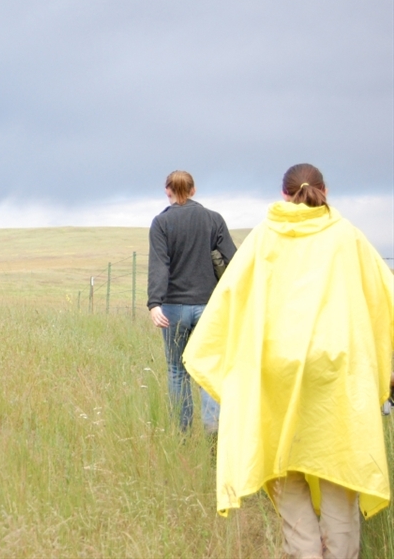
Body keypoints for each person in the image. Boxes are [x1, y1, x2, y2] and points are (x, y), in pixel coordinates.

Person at [183, 163, 393, 559]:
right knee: (339, 469)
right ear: (324, 191)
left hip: (274, 371)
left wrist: (214, 357)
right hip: (337, 373)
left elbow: (229, 301)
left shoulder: (264, 238)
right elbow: (384, 297)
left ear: (284, 195)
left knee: (285, 467)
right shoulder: (347, 237)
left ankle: (305, 551)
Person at [147, 170, 236, 435]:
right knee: (208, 368)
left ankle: (182, 434)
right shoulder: (213, 219)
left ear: (167, 190)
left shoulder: (161, 223)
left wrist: (155, 304)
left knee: (177, 370)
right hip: (209, 308)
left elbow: (159, 265)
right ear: (194, 190)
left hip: (173, 308)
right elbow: (233, 259)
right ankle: (213, 431)